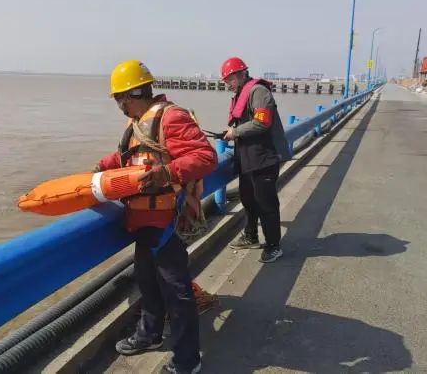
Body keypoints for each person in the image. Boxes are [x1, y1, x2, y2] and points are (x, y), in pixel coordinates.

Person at [94, 60, 217, 374]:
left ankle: (187, 360)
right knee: (148, 283)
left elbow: (205, 156)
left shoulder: (171, 117)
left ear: (134, 93)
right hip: (143, 223)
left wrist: (168, 173)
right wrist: (99, 169)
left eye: (121, 98)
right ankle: (149, 334)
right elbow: (127, 157)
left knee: (177, 294)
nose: (120, 105)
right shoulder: (138, 123)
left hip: (165, 224)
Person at [220, 57, 291, 263]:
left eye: (230, 80)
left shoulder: (259, 92)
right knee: (248, 200)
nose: (228, 85)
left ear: (241, 74)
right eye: (226, 81)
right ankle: (251, 236)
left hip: (264, 159)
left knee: (266, 204)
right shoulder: (242, 93)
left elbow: (262, 122)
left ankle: (273, 246)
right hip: (248, 159)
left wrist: (235, 132)